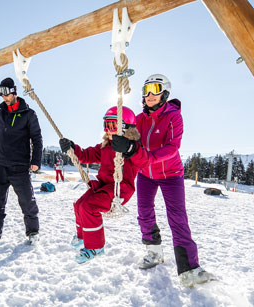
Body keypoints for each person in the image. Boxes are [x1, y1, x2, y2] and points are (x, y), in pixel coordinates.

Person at [128, 74, 214, 286]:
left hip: (171, 175)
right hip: (145, 175)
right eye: (146, 89)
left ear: (164, 92)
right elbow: (127, 138)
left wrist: (148, 157)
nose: (149, 95)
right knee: (144, 213)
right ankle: (154, 252)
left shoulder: (174, 116)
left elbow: (172, 146)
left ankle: (189, 268)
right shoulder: (139, 119)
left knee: (177, 218)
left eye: (155, 89)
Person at [59, 106, 145, 263]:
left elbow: (142, 160)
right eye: (106, 125)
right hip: (102, 186)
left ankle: (96, 247)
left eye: (113, 126)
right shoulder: (105, 147)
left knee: (89, 207)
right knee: (79, 205)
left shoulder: (132, 148)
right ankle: (83, 235)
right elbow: (85, 156)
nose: (108, 130)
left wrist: (129, 148)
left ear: (126, 128)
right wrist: (72, 147)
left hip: (120, 190)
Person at [0, 77, 43, 244]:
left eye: (6, 94)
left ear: (14, 92)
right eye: (1, 94)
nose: (4, 98)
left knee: (27, 200)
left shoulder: (29, 114)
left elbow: (37, 139)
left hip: (20, 165)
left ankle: (33, 232)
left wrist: (36, 161)